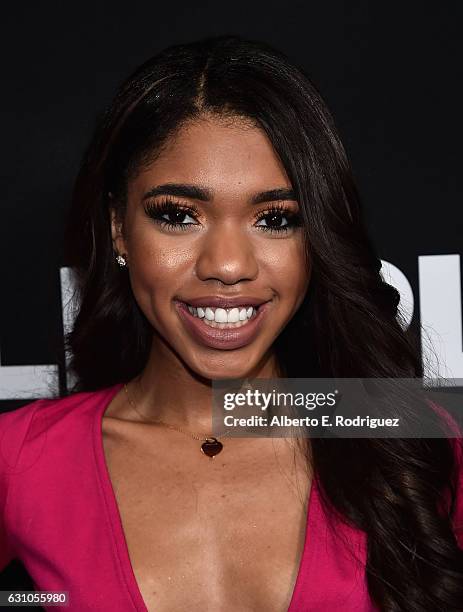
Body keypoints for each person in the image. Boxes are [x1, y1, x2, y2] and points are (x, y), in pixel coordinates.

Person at [1, 34, 462, 612]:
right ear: (118, 225)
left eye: (274, 218)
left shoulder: (412, 446)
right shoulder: (19, 461)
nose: (227, 265)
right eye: (178, 215)